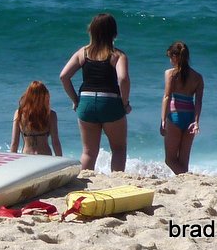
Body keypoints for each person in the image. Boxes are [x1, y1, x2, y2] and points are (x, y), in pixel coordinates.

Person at [59, 12, 130, 171]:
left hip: (86, 103)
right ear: (113, 32)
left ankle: (83, 180)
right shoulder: (117, 55)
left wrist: (75, 100)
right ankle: (116, 181)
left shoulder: (83, 53)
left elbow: (64, 76)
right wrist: (124, 103)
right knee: (118, 149)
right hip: (110, 102)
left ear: (91, 30)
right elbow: (123, 78)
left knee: (89, 152)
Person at [161, 40, 205, 175]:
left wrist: (163, 120)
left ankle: (188, 178)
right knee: (183, 162)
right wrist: (196, 122)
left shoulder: (170, 74)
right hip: (190, 118)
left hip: (175, 117)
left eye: (170, 57)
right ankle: (186, 178)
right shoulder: (198, 77)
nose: (170, 61)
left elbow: (167, 97)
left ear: (175, 57)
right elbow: (198, 102)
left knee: (170, 159)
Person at [11, 80, 63, 156]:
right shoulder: (51, 115)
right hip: (45, 156)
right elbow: (55, 143)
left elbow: (14, 143)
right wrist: (61, 159)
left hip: (27, 156)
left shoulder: (19, 113)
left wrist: (13, 161)